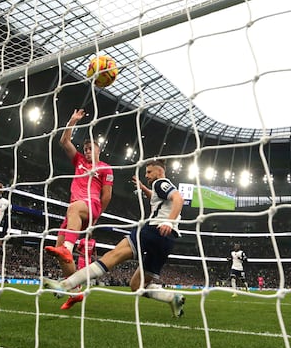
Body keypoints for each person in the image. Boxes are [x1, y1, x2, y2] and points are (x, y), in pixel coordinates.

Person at [43, 159, 186, 318]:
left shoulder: (161, 182)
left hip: (154, 230)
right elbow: (157, 198)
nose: (146, 175)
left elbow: (178, 199)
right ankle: (172, 297)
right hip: (167, 241)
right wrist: (143, 187)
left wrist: (168, 221)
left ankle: (65, 285)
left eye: (149, 172)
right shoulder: (158, 189)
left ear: (159, 171)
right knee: (137, 285)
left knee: (111, 257)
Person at [45, 109, 113, 279]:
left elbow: (107, 195)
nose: (87, 151)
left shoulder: (105, 168)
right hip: (75, 210)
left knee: (73, 209)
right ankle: (73, 287)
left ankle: (68, 249)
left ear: (99, 150)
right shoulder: (79, 161)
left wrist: (97, 216)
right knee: (58, 250)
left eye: (91, 148)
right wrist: (72, 120)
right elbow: (64, 141)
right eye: (85, 149)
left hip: (91, 206)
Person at [60, 235, 98, 310]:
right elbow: (76, 250)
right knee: (80, 272)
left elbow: (94, 250)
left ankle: (76, 286)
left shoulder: (93, 241)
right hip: (82, 258)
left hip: (89, 259)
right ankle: (76, 286)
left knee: (87, 273)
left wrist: (95, 256)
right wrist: (82, 253)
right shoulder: (82, 241)